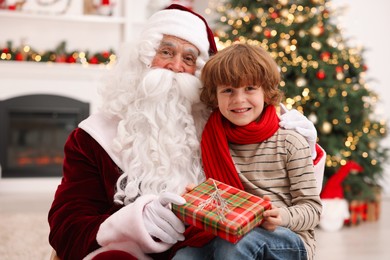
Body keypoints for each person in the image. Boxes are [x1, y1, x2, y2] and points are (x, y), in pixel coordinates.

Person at [48, 4, 325, 260]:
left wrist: (298, 134)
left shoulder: (217, 122)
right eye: (166, 52)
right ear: (143, 58)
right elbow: (66, 227)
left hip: (221, 243)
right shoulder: (93, 138)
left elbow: (278, 163)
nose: (175, 66)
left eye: (188, 58)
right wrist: (134, 221)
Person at [176, 43, 321, 260]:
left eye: (250, 88)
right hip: (229, 233)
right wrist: (197, 200)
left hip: (286, 237)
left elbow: (313, 209)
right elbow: (219, 203)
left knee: (235, 247)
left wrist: (282, 217)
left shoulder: (290, 141)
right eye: (228, 90)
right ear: (215, 96)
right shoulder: (212, 139)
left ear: (266, 91)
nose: (239, 100)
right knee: (183, 256)